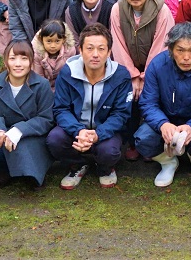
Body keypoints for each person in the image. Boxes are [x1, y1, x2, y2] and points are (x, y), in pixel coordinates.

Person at [135, 23, 191, 187]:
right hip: (165, 118)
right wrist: (163, 124)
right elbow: (148, 103)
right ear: (171, 49)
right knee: (143, 139)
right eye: (180, 50)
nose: (186, 57)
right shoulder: (157, 65)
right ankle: (168, 162)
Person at [47, 23, 133, 189]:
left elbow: (121, 114)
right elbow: (61, 109)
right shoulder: (67, 72)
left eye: (101, 49)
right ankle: (77, 165)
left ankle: (105, 167)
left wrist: (97, 134)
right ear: (80, 50)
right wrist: (79, 131)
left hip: (105, 131)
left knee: (110, 151)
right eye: (90, 48)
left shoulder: (121, 75)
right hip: (76, 130)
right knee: (54, 140)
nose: (95, 54)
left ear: (109, 52)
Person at [110, 0, 175, 159]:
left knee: (152, 98)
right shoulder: (117, 9)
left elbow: (162, 44)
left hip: (155, 67)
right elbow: (118, 43)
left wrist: (146, 75)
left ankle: (152, 143)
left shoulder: (161, 9)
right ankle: (131, 143)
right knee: (129, 98)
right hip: (128, 65)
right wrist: (132, 75)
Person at [0, 41, 54, 189]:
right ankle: (6, 171)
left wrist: (19, 130)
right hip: (4, 133)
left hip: (32, 136)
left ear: (31, 61)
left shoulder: (42, 85)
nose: (18, 64)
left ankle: (32, 173)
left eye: (24, 58)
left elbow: (46, 119)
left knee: (22, 147)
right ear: (6, 60)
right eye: (13, 58)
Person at [31, 19, 78, 92]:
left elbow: (71, 75)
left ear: (64, 39)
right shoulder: (37, 54)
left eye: (57, 41)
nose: (53, 46)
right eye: (49, 41)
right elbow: (38, 78)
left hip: (64, 87)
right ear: (41, 39)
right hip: (44, 89)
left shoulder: (70, 51)